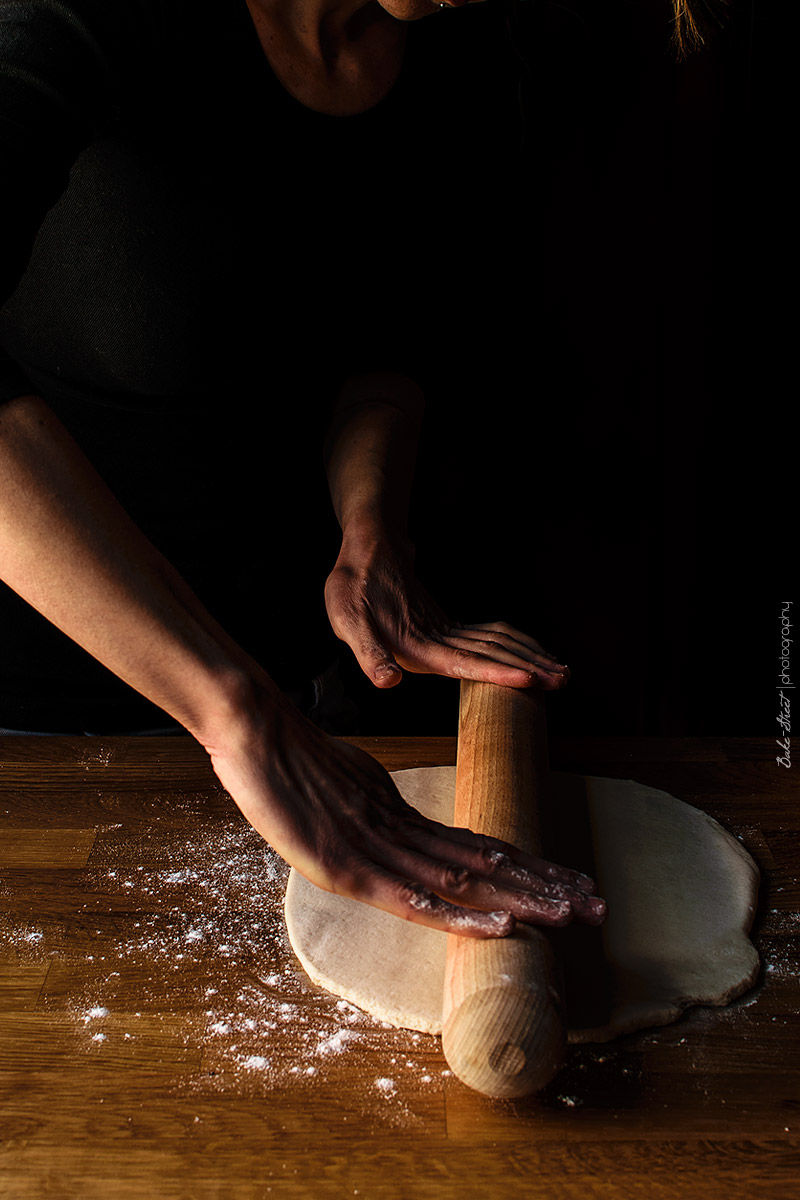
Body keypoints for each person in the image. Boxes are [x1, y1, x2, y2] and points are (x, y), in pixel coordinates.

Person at [1, 0, 606, 935]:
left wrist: (372, 534)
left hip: (293, 710)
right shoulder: (77, 16)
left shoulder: (465, 52)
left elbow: (384, 349)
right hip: (35, 728)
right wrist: (229, 709)